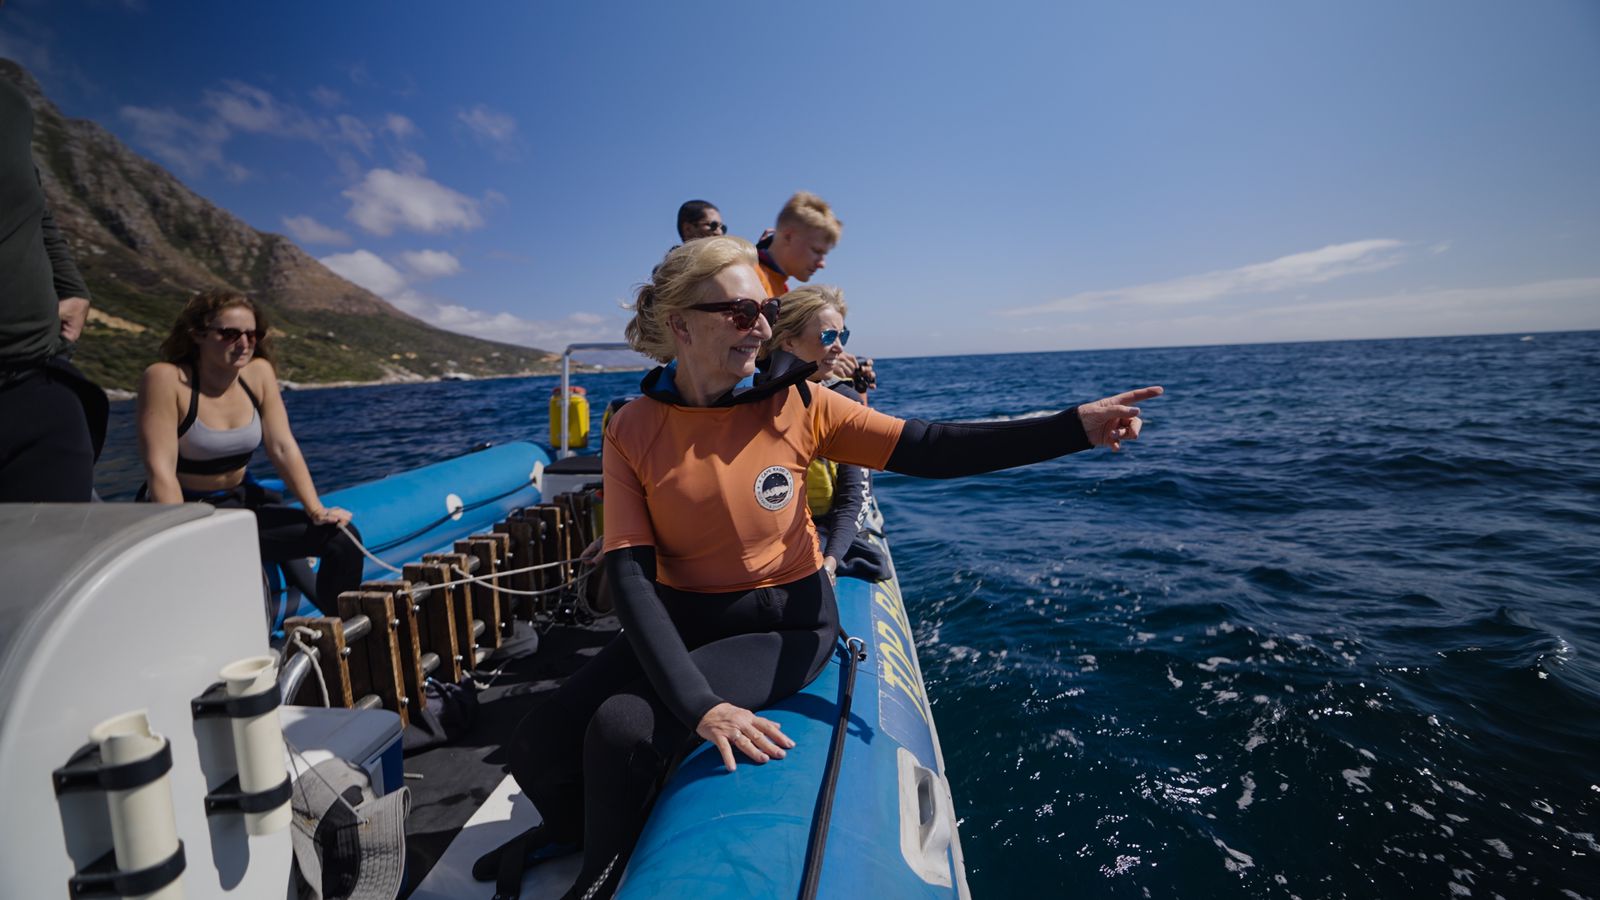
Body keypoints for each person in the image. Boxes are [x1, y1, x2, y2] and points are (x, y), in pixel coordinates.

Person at [493, 236, 1162, 899]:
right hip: (685, 615)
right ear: (680, 325)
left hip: (786, 623)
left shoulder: (798, 405)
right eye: (738, 313)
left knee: (619, 729)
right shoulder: (631, 426)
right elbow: (633, 575)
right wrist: (699, 704)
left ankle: (598, 880)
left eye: (765, 311)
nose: (759, 328)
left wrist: (1076, 426)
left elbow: (932, 448)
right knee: (536, 744)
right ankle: (576, 830)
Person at [136, 290, 362, 614]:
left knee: (342, 538)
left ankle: (340, 631)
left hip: (241, 505)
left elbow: (282, 446)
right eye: (229, 334)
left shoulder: (258, 373)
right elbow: (161, 469)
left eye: (252, 334)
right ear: (198, 335)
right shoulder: (166, 379)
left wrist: (316, 510)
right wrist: (183, 542)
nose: (243, 343)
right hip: (188, 510)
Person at [0, 74, 108, 502]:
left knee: (60, 554)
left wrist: (71, 286)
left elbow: (34, 205)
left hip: (35, 375)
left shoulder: (11, 103)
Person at [760, 283, 872, 580]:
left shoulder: (843, 402)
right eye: (828, 336)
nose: (840, 347)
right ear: (788, 342)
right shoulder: (749, 399)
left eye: (842, 335)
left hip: (821, 531)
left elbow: (855, 496)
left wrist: (830, 562)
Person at [753, 191, 875, 392]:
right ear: (789, 236)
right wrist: (823, 363)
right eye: (817, 251)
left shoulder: (777, 284)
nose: (822, 264)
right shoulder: (754, 282)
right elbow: (756, 355)